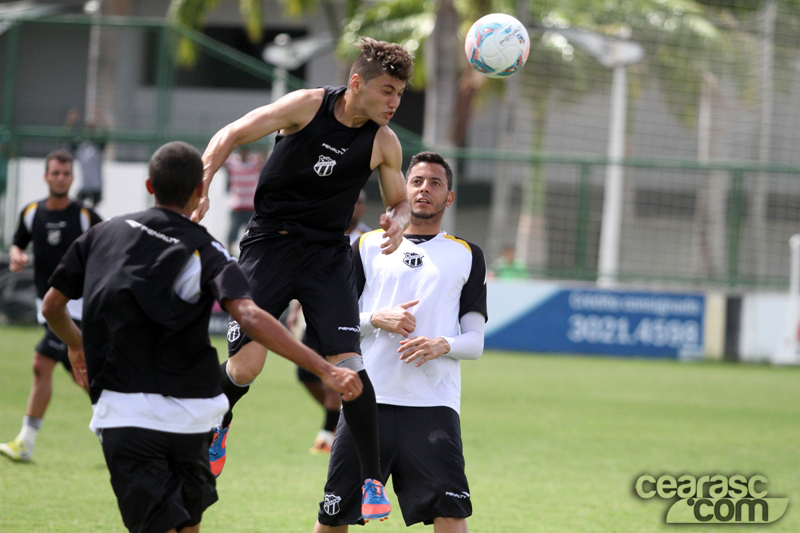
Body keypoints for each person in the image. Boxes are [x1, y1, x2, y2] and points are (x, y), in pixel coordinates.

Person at [41, 141, 362, 533]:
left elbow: (52, 307)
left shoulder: (102, 234)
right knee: (188, 525)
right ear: (199, 190)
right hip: (192, 418)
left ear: (149, 185)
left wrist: (75, 344)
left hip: (126, 414)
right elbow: (250, 316)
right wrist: (321, 366)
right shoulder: (207, 250)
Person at [195, 37, 413, 521]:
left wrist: (397, 218)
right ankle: (217, 421)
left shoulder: (383, 141)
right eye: (386, 90)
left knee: (351, 364)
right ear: (356, 83)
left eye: (399, 93)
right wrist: (204, 179)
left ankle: (374, 482)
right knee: (247, 367)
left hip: (326, 257)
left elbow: (398, 199)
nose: (394, 102)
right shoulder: (306, 106)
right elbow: (232, 132)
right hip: (269, 244)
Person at [314, 152, 487, 533]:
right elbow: (334, 327)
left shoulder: (467, 255)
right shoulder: (365, 247)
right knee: (332, 516)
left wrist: (442, 344)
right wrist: (376, 318)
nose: (425, 189)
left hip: (433, 406)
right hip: (365, 402)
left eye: (435, 183)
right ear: (403, 191)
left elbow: (474, 341)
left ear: (449, 197)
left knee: (452, 516)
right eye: (417, 181)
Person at [0, 149, 102, 463]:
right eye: (55, 173)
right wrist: (17, 253)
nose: (60, 178)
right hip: (48, 309)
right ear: (46, 176)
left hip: (75, 311)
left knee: (40, 364)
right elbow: (18, 241)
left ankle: (26, 443)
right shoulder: (32, 212)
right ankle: (116, 430)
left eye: (66, 173)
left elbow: (109, 244)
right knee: (82, 373)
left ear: (72, 178)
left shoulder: (85, 216)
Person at [292, 189, 370, 454]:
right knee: (304, 373)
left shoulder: (371, 241)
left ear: (364, 208)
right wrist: (296, 306)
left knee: (334, 376)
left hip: (349, 319)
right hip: (316, 315)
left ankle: (327, 436)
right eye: (351, 199)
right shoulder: (325, 232)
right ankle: (340, 421)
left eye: (358, 202)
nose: (353, 206)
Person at [63, 107, 108, 207]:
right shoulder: (80, 146)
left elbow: (107, 133)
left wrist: (100, 117)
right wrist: (70, 121)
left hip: (96, 185)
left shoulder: (98, 146)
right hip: (84, 185)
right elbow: (66, 137)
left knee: (94, 211)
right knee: (76, 207)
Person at [223, 146, 265, 251]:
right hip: (237, 205)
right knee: (232, 233)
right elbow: (223, 159)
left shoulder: (255, 163)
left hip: (251, 206)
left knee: (255, 232)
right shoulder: (233, 163)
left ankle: (255, 252)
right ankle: (229, 253)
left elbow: (263, 159)